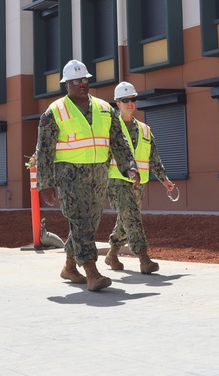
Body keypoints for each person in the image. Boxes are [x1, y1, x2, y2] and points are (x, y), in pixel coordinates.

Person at [35, 59, 139, 292]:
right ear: (66, 85)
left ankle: (70, 267)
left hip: (98, 175)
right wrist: (45, 184)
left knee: (88, 224)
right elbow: (44, 151)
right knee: (81, 222)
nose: (81, 84)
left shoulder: (105, 109)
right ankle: (92, 272)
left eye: (84, 80)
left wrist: (129, 166)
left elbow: (119, 141)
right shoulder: (54, 112)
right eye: (75, 81)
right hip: (69, 177)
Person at [104, 81, 176, 274]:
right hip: (117, 181)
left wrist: (164, 179)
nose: (130, 103)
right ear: (117, 103)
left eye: (133, 99)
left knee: (126, 219)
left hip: (138, 183)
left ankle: (112, 254)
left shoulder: (144, 129)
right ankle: (144, 258)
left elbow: (154, 158)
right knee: (133, 219)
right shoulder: (110, 128)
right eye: (125, 100)